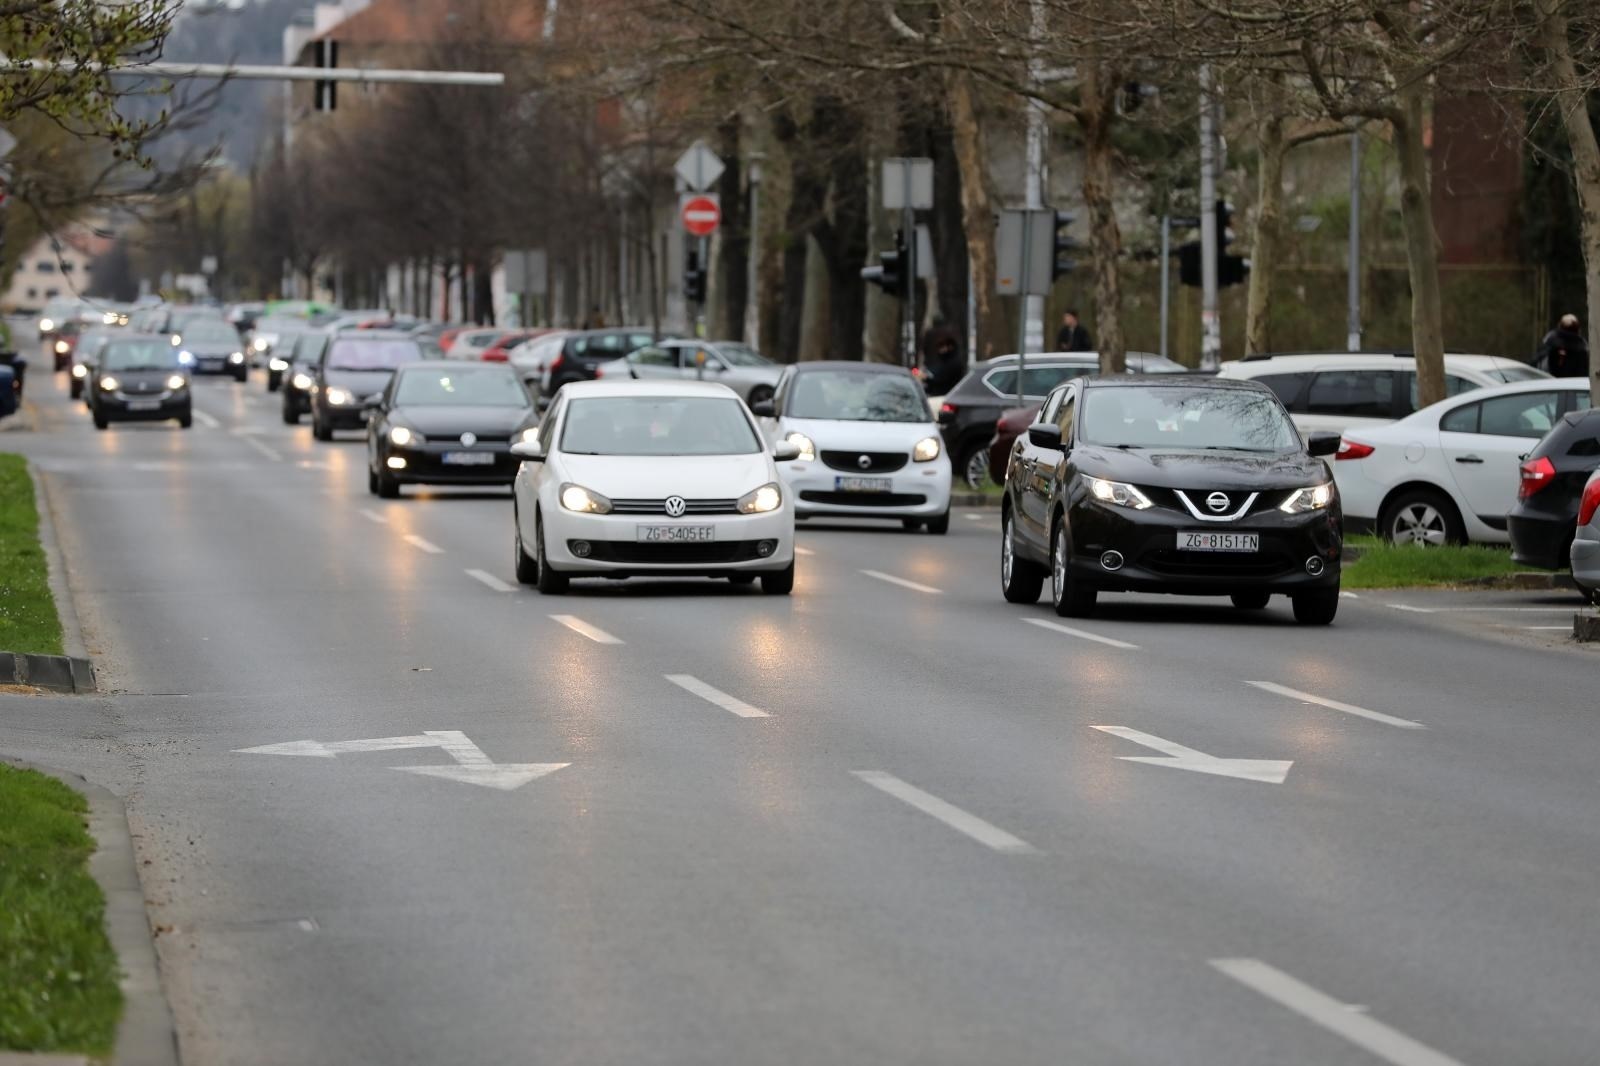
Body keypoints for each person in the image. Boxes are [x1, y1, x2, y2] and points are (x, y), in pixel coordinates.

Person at [919, 316, 965, 396]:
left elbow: (942, 378)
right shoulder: (945, 360)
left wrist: (927, 378)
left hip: (945, 394)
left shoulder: (952, 363)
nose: (941, 350)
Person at [1536, 314, 1589, 378]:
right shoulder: (1582, 346)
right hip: (1576, 383)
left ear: (1560, 325)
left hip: (1552, 382)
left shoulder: (1551, 341)